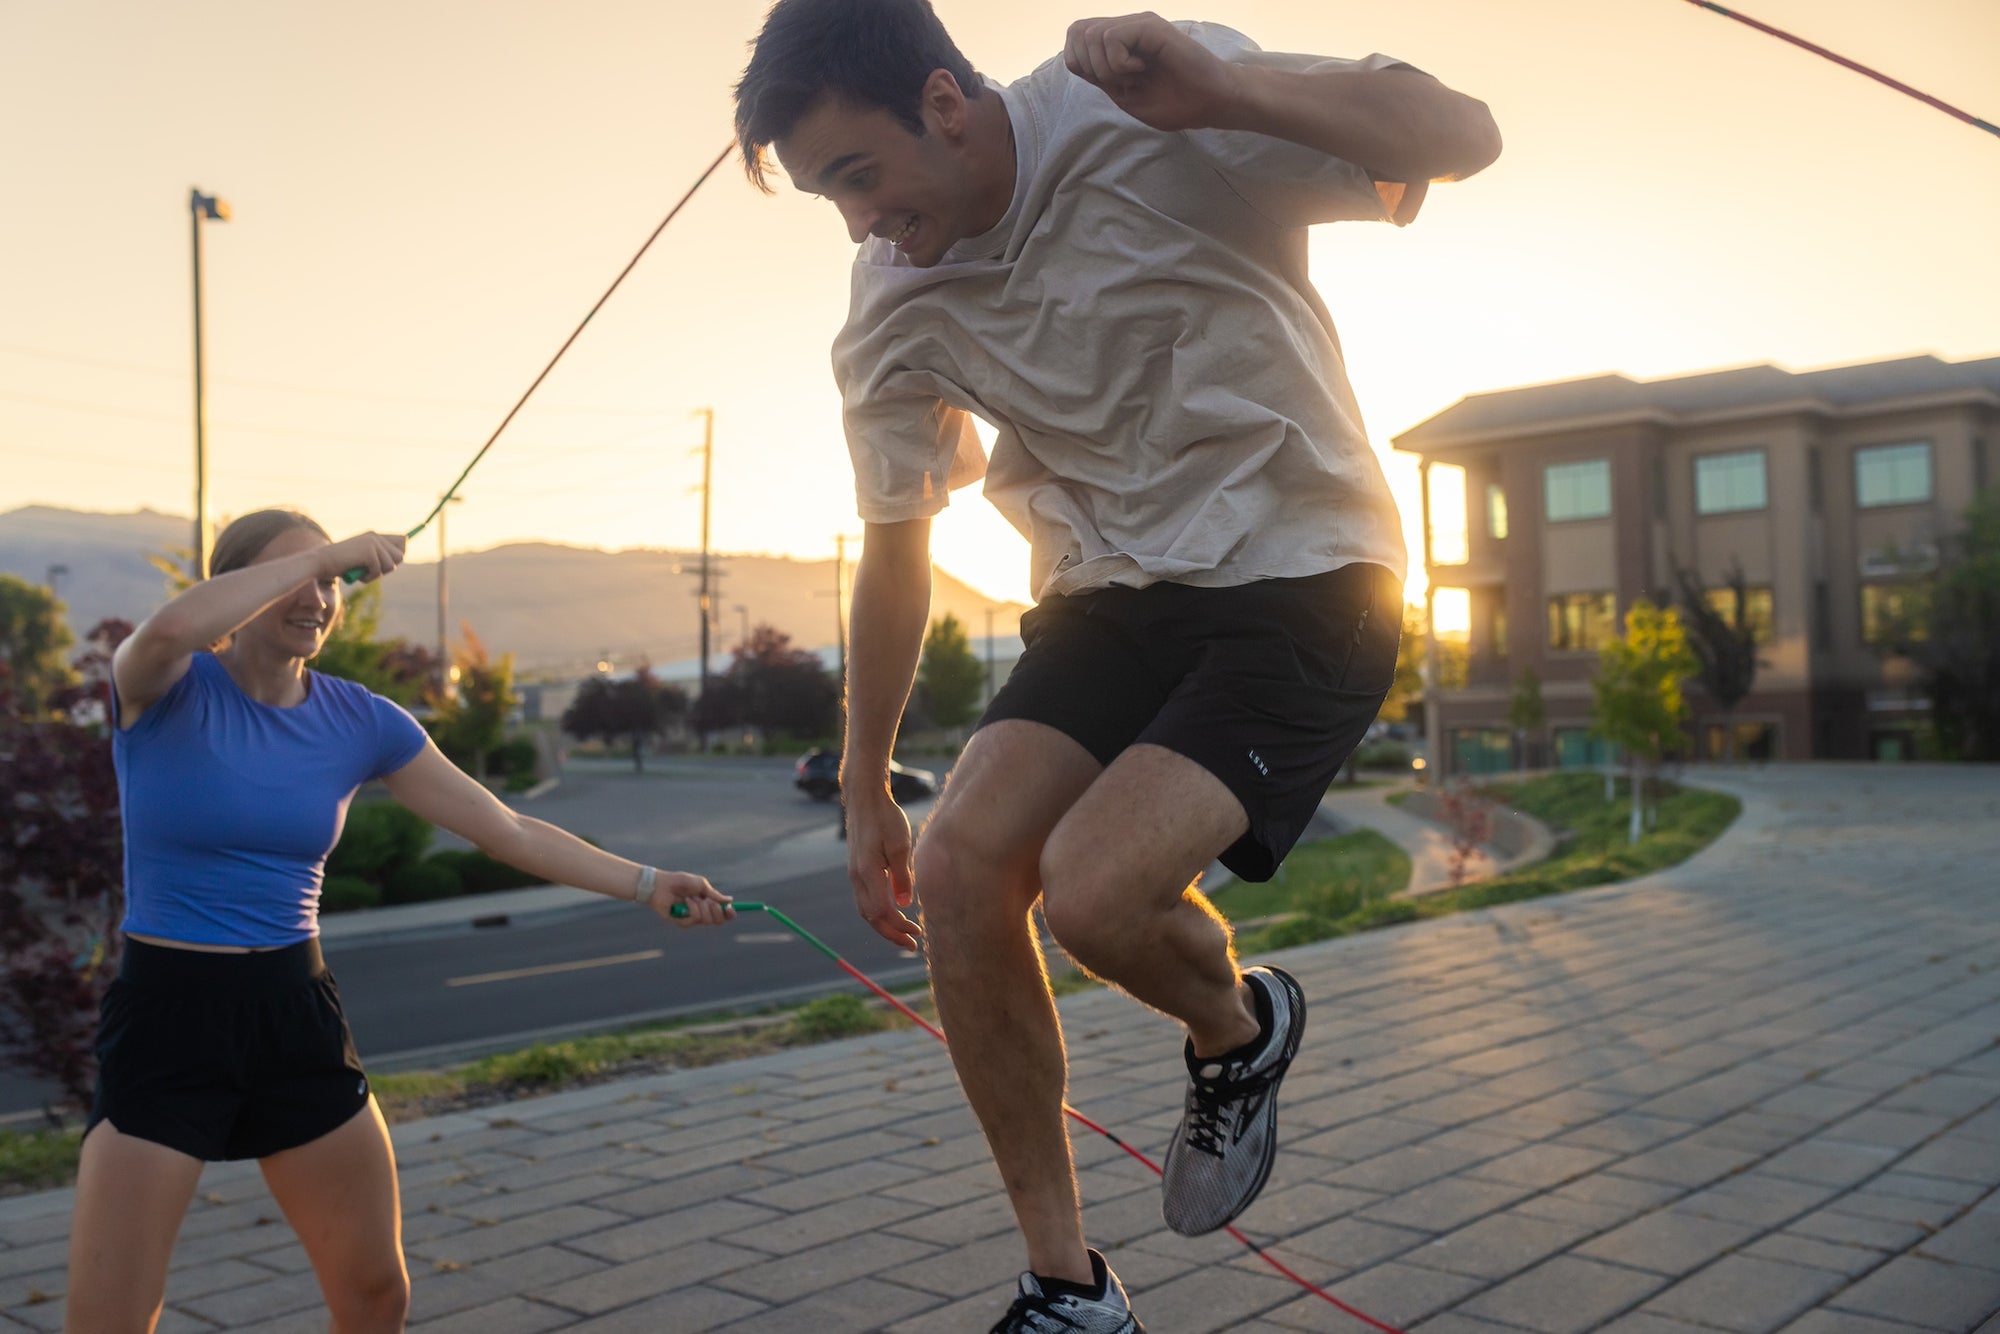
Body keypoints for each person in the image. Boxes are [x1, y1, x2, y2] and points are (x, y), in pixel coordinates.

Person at [735, 3, 1499, 1329]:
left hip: (1302, 573)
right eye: (826, 197)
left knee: (1093, 894)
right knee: (962, 869)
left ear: (944, 104)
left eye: (858, 174)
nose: (859, 224)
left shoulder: (1140, 109)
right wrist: (863, 781)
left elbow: (1460, 135)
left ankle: (1238, 1026)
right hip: (1107, 598)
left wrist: (1223, 90)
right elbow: (896, 550)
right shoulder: (891, 306)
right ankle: (1068, 1289)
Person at [68, 509, 734, 1334]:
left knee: (376, 1292)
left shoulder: (363, 720)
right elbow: (172, 627)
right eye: (297, 575)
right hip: (169, 1020)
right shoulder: (164, 684)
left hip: (295, 1016)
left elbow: (507, 829)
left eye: (331, 582)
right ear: (238, 587)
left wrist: (648, 884)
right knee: (111, 1319)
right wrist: (336, 553)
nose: (317, 596)